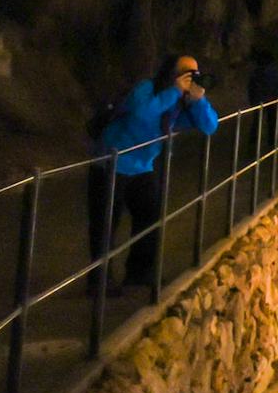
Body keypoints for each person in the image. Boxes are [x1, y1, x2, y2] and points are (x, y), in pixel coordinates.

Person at [92, 54, 219, 294]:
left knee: (149, 220)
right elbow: (141, 115)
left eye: (195, 73)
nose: (191, 78)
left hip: (143, 166)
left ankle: (139, 272)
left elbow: (210, 125)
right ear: (172, 73)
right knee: (105, 225)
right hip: (112, 161)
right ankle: (99, 282)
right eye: (186, 73)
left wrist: (198, 101)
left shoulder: (182, 100)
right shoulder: (147, 88)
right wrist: (173, 91)